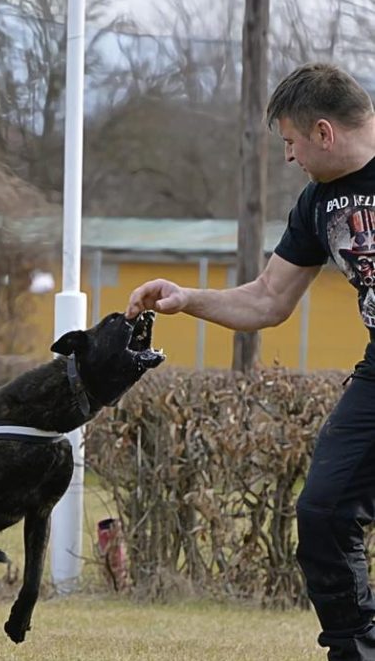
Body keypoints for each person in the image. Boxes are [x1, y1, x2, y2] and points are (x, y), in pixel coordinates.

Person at [126, 62, 375, 660]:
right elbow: (267, 299)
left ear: (322, 132)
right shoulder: (317, 203)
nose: (288, 157)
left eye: (290, 142)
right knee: (324, 511)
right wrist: (187, 299)